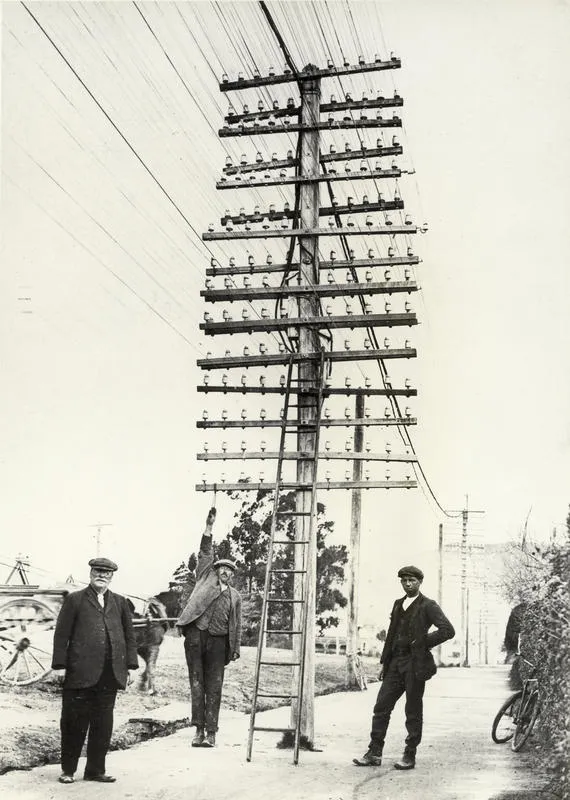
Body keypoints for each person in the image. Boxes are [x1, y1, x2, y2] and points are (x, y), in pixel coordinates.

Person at [353, 565, 455, 770]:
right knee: (381, 707)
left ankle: (409, 755)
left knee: (413, 710)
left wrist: (422, 642)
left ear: (420, 582)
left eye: (412, 581)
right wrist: (385, 663)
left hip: (415, 665)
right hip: (395, 664)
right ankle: (374, 752)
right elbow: (391, 634)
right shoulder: (398, 604)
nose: (408, 584)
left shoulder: (428, 605)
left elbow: (447, 630)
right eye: (404, 580)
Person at [51, 557, 138, 784]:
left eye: (106, 573)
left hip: (110, 674)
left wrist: (131, 666)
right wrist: (59, 666)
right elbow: (61, 635)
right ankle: (68, 770)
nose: (102, 575)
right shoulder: (75, 600)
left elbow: (129, 637)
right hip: (79, 674)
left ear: (112, 576)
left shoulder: (120, 603)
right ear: (90, 573)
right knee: (73, 723)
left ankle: (95, 771)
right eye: (98, 571)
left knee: (103, 724)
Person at [177, 507, 242, 748]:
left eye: (229, 570)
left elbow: (237, 624)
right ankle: (198, 730)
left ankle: (212, 733)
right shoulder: (205, 576)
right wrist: (209, 527)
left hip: (218, 642)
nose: (225, 571)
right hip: (196, 637)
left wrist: (234, 648)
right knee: (197, 683)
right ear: (215, 570)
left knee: (214, 686)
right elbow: (205, 551)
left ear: (232, 575)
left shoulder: (235, 596)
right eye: (222, 568)